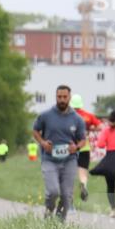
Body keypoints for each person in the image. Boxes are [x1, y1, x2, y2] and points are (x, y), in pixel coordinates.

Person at [32, 85, 87, 221]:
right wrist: (43, 143)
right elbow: (35, 131)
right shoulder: (46, 115)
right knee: (53, 191)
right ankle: (49, 211)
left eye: (64, 97)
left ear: (69, 97)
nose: (62, 100)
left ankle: (59, 223)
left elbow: (83, 140)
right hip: (50, 159)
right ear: (56, 96)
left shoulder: (77, 119)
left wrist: (76, 147)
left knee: (66, 194)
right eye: (59, 97)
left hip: (69, 160)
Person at [70, 94, 103, 202]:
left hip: (70, 147)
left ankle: (69, 194)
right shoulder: (88, 116)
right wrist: (91, 129)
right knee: (83, 170)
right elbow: (100, 127)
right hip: (84, 146)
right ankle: (83, 184)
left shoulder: (67, 116)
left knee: (69, 171)